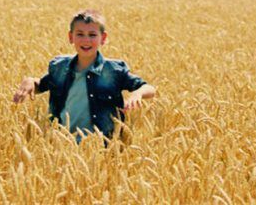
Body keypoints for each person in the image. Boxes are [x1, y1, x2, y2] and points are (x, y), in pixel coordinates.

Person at [12, 9, 156, 141]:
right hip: (62, 142)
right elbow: (41, 85)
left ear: (103, 38)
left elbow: (149, 88)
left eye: (92, 35)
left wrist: (138, 94)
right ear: (70, 37)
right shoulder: (59, 67)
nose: (86, 40)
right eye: (80, 34)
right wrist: (30, 81)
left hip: (102, 145)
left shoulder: (113, 71)